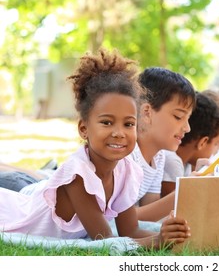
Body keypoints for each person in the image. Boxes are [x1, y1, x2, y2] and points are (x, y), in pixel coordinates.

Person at [0, 48, 190, 248]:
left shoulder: (127, 171)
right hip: (14, 210)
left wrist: (169, 234)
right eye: (107, 122)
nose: (119, 133)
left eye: (128, 124)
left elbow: (130, 231)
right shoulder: (78, 176)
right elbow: (105, 241)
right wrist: (159, 241)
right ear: (84, 128)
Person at [131, 67, 196, 221]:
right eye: (178, 116)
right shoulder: (126, 154)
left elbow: (148, 215)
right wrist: (184, 191)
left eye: (188, 119)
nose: (187, 128)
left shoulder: (158, 157)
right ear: (147, 112)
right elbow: (121, 221)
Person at [162, 91, 219, 197]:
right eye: (215, 144)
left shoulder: (186, 164)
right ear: (203, 142)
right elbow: (178, 207)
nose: (215, 151)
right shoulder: (173, 161)